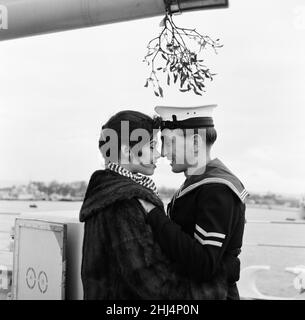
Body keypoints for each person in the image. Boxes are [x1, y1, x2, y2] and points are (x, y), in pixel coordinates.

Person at [79, 110, 228, 300]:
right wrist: (218, 285)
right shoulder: (125, 202)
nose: (159, 154)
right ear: (126, 151)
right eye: (152, 146)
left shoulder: (110, 191)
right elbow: (153, 285)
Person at [139, 105, 248, 300]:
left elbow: (203, 264)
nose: (163, 152)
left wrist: (153, 214)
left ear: (196, 142)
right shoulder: (200, 183)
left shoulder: (217, 188)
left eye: (169, 142)